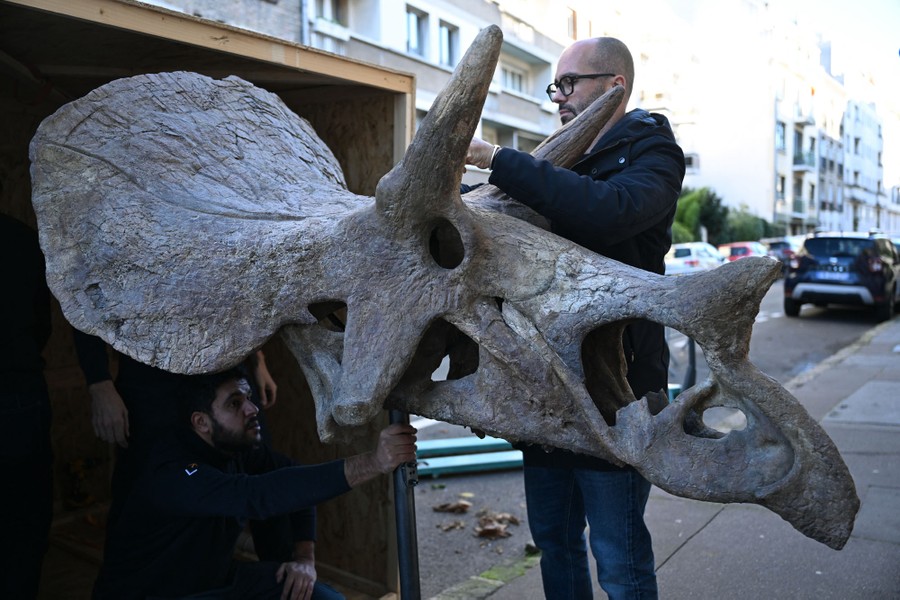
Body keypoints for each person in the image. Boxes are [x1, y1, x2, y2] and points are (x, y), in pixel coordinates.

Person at [466, 37, 685, 599]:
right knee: (555, 543)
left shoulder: (654, 153)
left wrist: (498, 160)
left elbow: (608, 211)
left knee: (619, 559)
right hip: (544, 384)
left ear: (614, 86)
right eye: (555, 87)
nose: (559, 97)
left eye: (569, 84)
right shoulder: (556, 157)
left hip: (615, 393)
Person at [92, 366, 417, 600]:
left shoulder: (233, 447)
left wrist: (304, 559)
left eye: (248, 398)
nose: (252, 409)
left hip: (218, 582)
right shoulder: (173, 470)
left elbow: (292, 477)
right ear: (201, 422)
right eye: (235, 403)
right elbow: (256, 496)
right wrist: (374, 462)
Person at [73, 332, 278, 533]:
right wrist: (99, 383)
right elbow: (86, 308)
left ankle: (280, 554)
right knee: (141, 482)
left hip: (222, 366)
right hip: (151, 376)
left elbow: (242, 308)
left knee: (262, 466)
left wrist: (257, 358)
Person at [0, 213, 54, 599]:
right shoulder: (22, 238)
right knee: (24, 523)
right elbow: (41, 323)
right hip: (18, 391)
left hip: (17, 390)